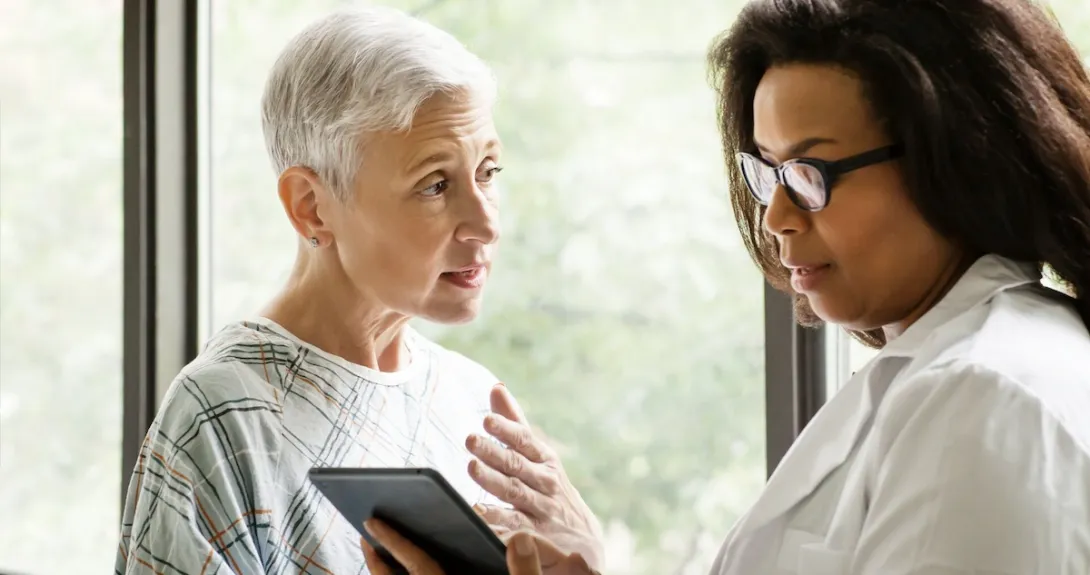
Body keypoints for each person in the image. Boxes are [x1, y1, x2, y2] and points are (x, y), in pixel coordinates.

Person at [360, 0, 1090, 573]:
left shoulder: (987, 402)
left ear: (954, 159)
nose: (775, 216)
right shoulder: (951, 373)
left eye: (811, 174)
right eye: (766, 172)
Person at [116, 7, 507, 574]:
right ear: (311, 206)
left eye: (489, 172)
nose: (487, 223)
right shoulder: (225, 417)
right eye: (435, 184)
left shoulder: (475, 403)